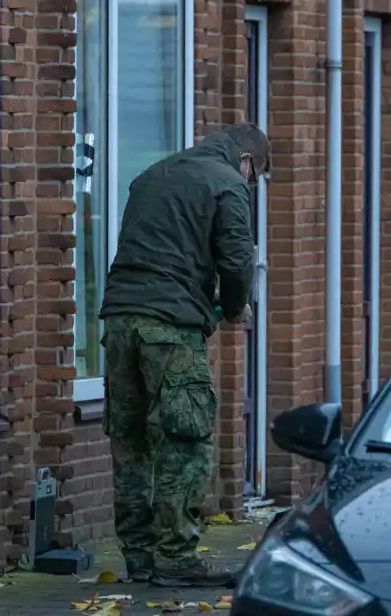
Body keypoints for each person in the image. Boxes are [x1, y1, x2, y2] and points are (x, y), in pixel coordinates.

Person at [99, 122, 269, 587]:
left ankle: (138, 557)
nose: (251, 183)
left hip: (119, 318)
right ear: (248, 161)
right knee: (184, 441)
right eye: (255, 176)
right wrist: (234, 307)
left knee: (130, 440)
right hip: (170, 328)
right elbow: (237, 260)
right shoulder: (228, 183)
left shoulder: (152, 175)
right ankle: (175, 559)